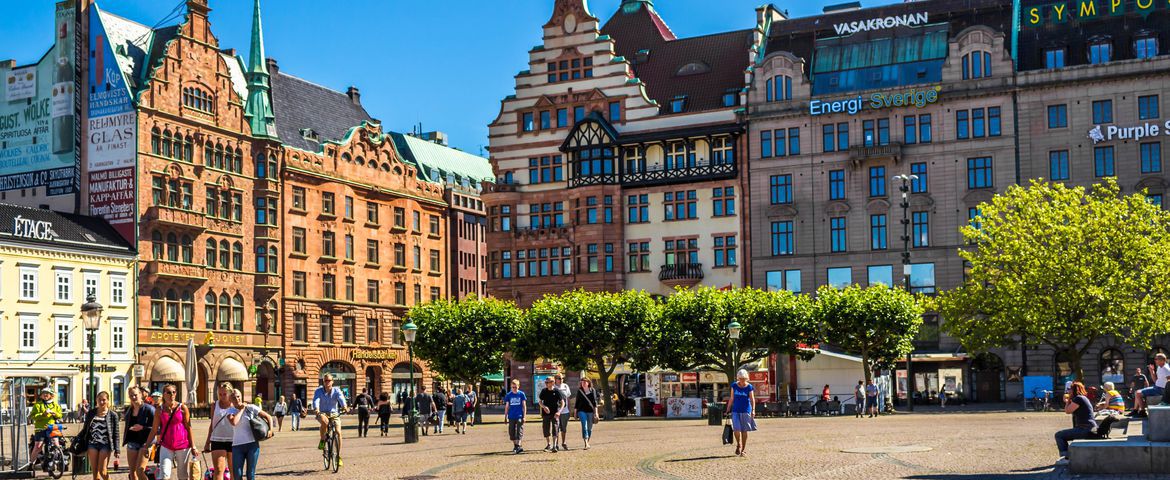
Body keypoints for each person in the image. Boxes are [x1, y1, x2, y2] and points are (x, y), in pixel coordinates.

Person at [144, 384, 195, 480]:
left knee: (182, 476)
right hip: (166, 445)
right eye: (168, 392)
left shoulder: (182, 408)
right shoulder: (159, 410)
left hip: (183, 445)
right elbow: (154, 429)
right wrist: (146, 446)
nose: (171, 394)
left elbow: (189, 427)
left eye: (173, 392)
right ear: (163, 394)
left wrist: (193, 446)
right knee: (164, 475)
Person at [227, 388, 273, 480]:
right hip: (237, 446)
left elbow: (268, 416)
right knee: (237, 475)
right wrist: (241, 410)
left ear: (241, 396)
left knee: (250, 474)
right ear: (230, 399)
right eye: (234, 397)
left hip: (252, 445)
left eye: (238, 396)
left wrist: (270, 430)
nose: (237, 399)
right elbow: (234, 422)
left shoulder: (251, 407)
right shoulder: (230, 411)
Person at [1055, 381, 1097, 466]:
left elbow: (1068, 411)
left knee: (1059, 435)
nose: (1068, 391)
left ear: (1074, 390)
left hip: (1085, 429)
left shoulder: (1078, 398)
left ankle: (1066, 458)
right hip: (1090, 427)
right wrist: (1069, 400)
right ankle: (1068, 457)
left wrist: (1068, 400)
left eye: (1070, 389)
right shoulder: (1083, 398)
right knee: (1063, 434)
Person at [80, 391, 119, 480]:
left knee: (102, 471)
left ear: (108, 400)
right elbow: (85, 429)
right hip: (92, 444)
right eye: (99, 400)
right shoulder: (91, 413)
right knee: (95, 472)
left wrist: (117, 450)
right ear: (96, 400)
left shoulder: (113, 415)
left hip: (105, 445)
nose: (101, 402)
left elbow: (116, 434)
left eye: (104, 400)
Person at [312, 374, 348, 467]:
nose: (327, 382)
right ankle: (322, 440)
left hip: (334, 414)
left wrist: (344, 406)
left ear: (332, 381)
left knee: (338, 432)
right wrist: (317, 410)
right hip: (322, 413)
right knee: (324, 422)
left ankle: (338, 456)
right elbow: (316, 400)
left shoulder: (337, 390)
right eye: (325, 380)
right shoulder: (318, 391)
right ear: (323, 382)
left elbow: (341, 398)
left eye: (329, 380)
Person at [204, 383, 236, 480]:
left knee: (234, 471)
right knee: (218, 470)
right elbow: (212, 424)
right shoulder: (215, 405)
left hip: (234, 440)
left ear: (230, 393)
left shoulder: (234, 405)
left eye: (224, 394)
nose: (222, 396)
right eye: (220, 394)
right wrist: (207, 442)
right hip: (217, 440)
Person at [122, 387, 155, 480]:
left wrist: (142, 427)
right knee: (132, 473)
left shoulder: (149, 409)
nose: (133, 397)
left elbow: (158, 428)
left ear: (140, 395)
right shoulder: (129, 410)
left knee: (140, 470)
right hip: (132, 442)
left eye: (135, 395)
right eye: (131, 395)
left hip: (145, 442)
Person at [726, 369, 757, 457]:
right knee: (736, 429)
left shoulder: (749, 387)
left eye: (744, 379)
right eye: (740, 379)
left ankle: (743, 449)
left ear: (746, 378)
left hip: (746, 410)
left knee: (744, 430)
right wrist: (728, 408)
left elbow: (752, 399)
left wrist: (753, 410)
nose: (742, 380)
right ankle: (738, 444)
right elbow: (732, 398)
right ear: (738, 378)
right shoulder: (734, 386)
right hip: (736, 410)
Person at [29, 389, 63, 468]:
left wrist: (55, 414)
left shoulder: (56, 405)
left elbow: (60, 415)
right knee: (38, 446)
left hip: (52, 428)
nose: (45, 395)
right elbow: (32, 416)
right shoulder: (37, 405)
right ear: (41, 395)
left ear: (51, 395)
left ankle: (56, 462)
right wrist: (43, 414)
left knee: (56, 445)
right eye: (43, 393)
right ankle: (31, 464)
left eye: (47, 393)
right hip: (40, 428)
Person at [1130, 353, 1169, 418]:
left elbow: (1169, 382)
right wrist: (1152, 371)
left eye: (1156, 359)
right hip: (1156, 387)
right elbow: (1155, 380)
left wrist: (1166, 393)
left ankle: (1142, 412)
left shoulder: (1166, 369)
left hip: (1161, 389)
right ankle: (1135, 410)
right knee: (1137, 392)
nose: (1155, 360)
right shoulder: (1160, 367)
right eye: (1155, 359)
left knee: (1138, 393)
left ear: (1163, 360)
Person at [539, 377, 565, 453]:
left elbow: (563, 402)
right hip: (546, 413)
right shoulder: (544, 391)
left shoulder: (557, 391)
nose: (546, 384)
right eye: (546, 382)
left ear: (552, 383)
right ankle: (548, 444)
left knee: (555, 428)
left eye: (548, 382)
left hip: (555, 413)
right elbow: (540, 401)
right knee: (546, 428)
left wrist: (559, 411)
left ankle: (554, 445)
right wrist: (544, 407)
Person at [573, 378, 600, 450]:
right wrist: (575, 413)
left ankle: (587, 442)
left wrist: (596, 413)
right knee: (584, 425)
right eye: (582, 382)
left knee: (589, 428)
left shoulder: (592, 390)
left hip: (590, 411)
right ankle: (586, 443)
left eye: (585, 382)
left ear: (588, 383)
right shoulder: (580, 391)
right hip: (581, 410)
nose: (583, 383)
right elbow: (577, 402)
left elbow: (595, 402)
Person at [503, 379, 527, 454]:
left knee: (519, 430)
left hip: (519, 415)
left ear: (518, 386)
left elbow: (524, 406)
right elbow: (507, 406)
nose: (514, 389)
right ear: (511, 387)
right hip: (511, 416)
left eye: (515, 387)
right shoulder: (508, 395)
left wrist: (524, 416)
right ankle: (516, 446)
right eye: (513, 387)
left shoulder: (521, 394)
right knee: (511, 432)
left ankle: (518, 445)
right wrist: (505, 417)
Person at [554, 374, 572, 450]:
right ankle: (556, 444)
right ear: (555, 379)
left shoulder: (565, 386)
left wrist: (570, 409)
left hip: (565, 411)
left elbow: (568, 398)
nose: (561, 379)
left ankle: (564, 442)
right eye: (559, 378)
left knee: (563, 428)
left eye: (562, 378)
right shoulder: (553, 387)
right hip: (556, 411)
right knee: (556, 428)